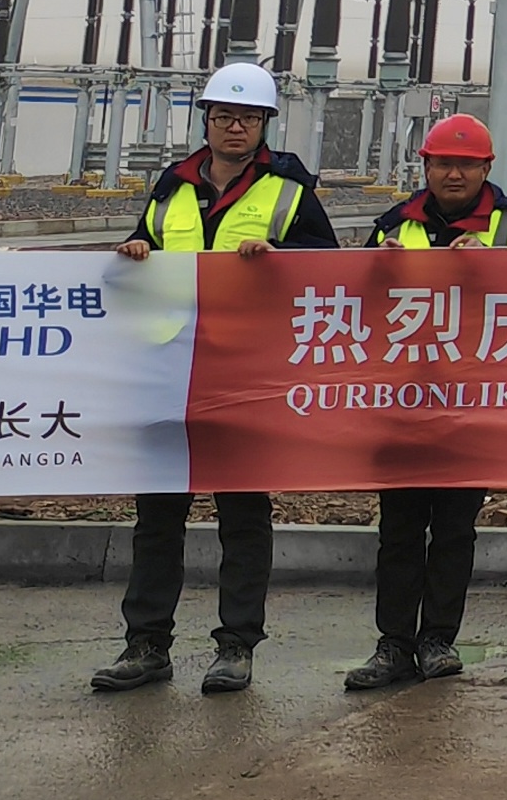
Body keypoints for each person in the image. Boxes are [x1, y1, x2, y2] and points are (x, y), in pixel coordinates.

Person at [100, 60, 335, 695]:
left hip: (244, 369)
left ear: (264, 124)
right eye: (225, 116)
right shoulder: (172, 186)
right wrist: (136, 249)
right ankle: (146, 644)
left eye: (248, 118)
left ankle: (236, 645)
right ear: (206, 120)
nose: (235, 127)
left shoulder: (289, 191)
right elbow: (146, 243)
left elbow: (327, 264)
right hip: (169, 367)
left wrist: (280, 257)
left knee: (243, 512)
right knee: (158, 514)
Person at [346, 112, 507, 692]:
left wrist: (493, 267)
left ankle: (437, 639)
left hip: (475, 402)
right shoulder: (393, 225)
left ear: (486, 168)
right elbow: (357, 306)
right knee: (400, 529)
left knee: (455, 528)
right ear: (426, 166)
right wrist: (377, 270)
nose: (453, 174)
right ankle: (393, 642)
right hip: (403, 401)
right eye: (443, 163)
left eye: (465, 164)